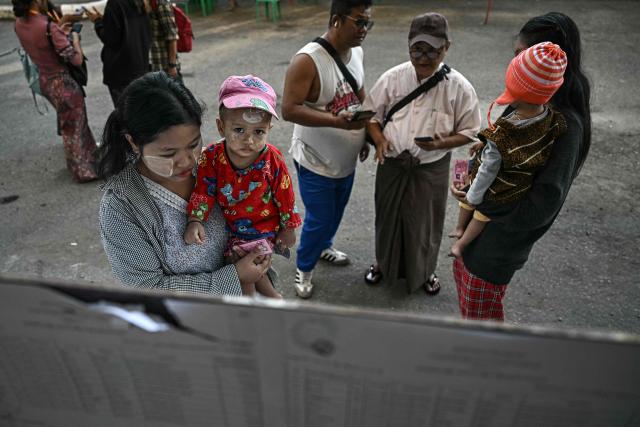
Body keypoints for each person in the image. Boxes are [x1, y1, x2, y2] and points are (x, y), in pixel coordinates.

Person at [450, 12, 592, 321]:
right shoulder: (527, 99)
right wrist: (472, 175)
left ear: (543, 61)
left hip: (496, 251)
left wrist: (481, 200)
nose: (512, 62)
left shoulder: (566, 124)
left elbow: (543, 203)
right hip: (479, 239)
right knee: (470, 315)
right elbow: (497, 151)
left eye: (519, 54)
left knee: (482, 329)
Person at [97, 72, 271, 295]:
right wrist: (234, 276)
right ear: (134, 142)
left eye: (193, 144)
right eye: (169, 153)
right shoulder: (121, 207)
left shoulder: (217, 163)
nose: (188, 161)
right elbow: (147, 287)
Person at [363, 12, 481, 295]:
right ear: (408, 46)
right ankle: (382, 264)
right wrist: (378, 139)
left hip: (431, 167)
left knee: (425, 224)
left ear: (446, 48)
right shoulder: (392, 78)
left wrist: (442, 143)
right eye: (417, 49)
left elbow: (470, 131)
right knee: (388, 218)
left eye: (432, 50)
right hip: (392, 164)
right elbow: (370, 115)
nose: (423, 57)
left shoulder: (459, 87)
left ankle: (425, 272)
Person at [281, 0, 372, 299]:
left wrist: (366, 135)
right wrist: (337, 122)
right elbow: (289, 109)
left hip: (345, 158)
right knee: (319, 217)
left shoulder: (356, 52)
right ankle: (304, 267)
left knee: (336, 211)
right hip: (315, 158)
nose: (364, 30)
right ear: (336, 20)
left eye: (368, 23)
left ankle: (324, 245)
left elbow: (359, 94)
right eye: (359, 22)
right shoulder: (308, 60)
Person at [185, 75, 301, 298]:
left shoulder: (272, 160)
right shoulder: (210, 157)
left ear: (269, 129)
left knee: (241, 262)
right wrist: (195, 220)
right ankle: (271, 298)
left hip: (263, 228)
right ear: (221, 127)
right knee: (245, 264)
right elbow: (203, 190)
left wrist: (288, 228)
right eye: (239, 130)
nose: (249, 140)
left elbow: (285, 195)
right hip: (231, 227)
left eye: (258, 132)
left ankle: (251, 304)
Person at [449, 42, 568, 258]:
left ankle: (460, 238)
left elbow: (488, 171)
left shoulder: (504, 132)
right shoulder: (552, 118)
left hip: (498, 189)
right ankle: (461, 239)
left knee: (478, 205)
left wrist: (474, 196)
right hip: (519, 185)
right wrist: (486, 143)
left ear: (516, 87)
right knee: (481, 213)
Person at [13, 0, 98, 182]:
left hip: (45, 81)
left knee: (73, 122)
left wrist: (59, 32)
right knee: (73, 127)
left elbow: (44, 46)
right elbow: (75, 59)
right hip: (64, 85)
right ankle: (82, 170)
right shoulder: (47, 26)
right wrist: (74, 37)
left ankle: (91, 156)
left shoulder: (19, 24)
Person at [85, 1, 151, 106]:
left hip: (121, 69)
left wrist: (98, 22)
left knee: (125, 114)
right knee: (140, 112)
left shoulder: (114, 3)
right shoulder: (141, 2)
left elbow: (110, 37)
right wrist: (106, 20)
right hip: (140, 65)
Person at [148, 0, 181, 81]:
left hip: (165, 68)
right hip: (153, 66)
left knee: (177, 93)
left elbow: (172, 36)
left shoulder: (161, 3)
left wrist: (172, 66)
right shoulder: (144, 4)